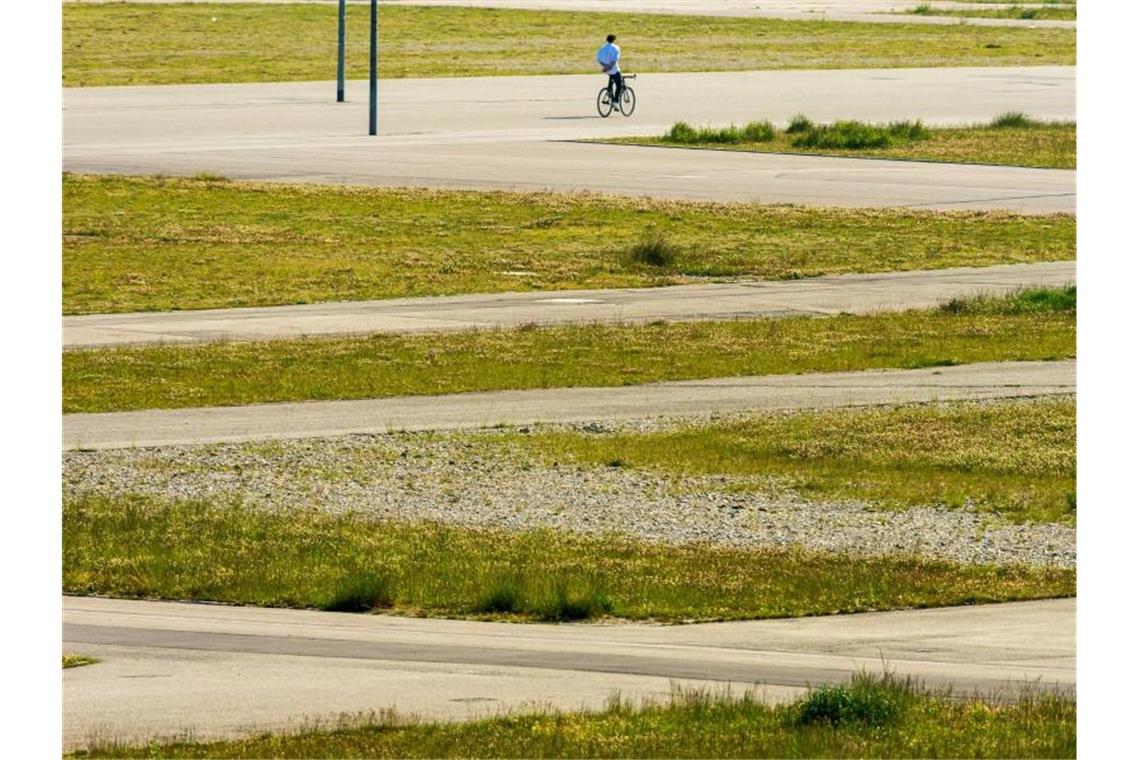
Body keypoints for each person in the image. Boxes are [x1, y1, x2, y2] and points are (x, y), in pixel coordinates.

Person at [597, 34, 623, 104]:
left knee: (611, 79)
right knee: (619, 85)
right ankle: (615, 101)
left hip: (606, 69)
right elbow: (615, 60)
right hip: (614, 69)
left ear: (606, 39)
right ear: (614, 40)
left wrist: (605, 67)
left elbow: (598, 59)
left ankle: (609, 92)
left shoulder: (602, 48)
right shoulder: (616, 47)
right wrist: (609, 67)